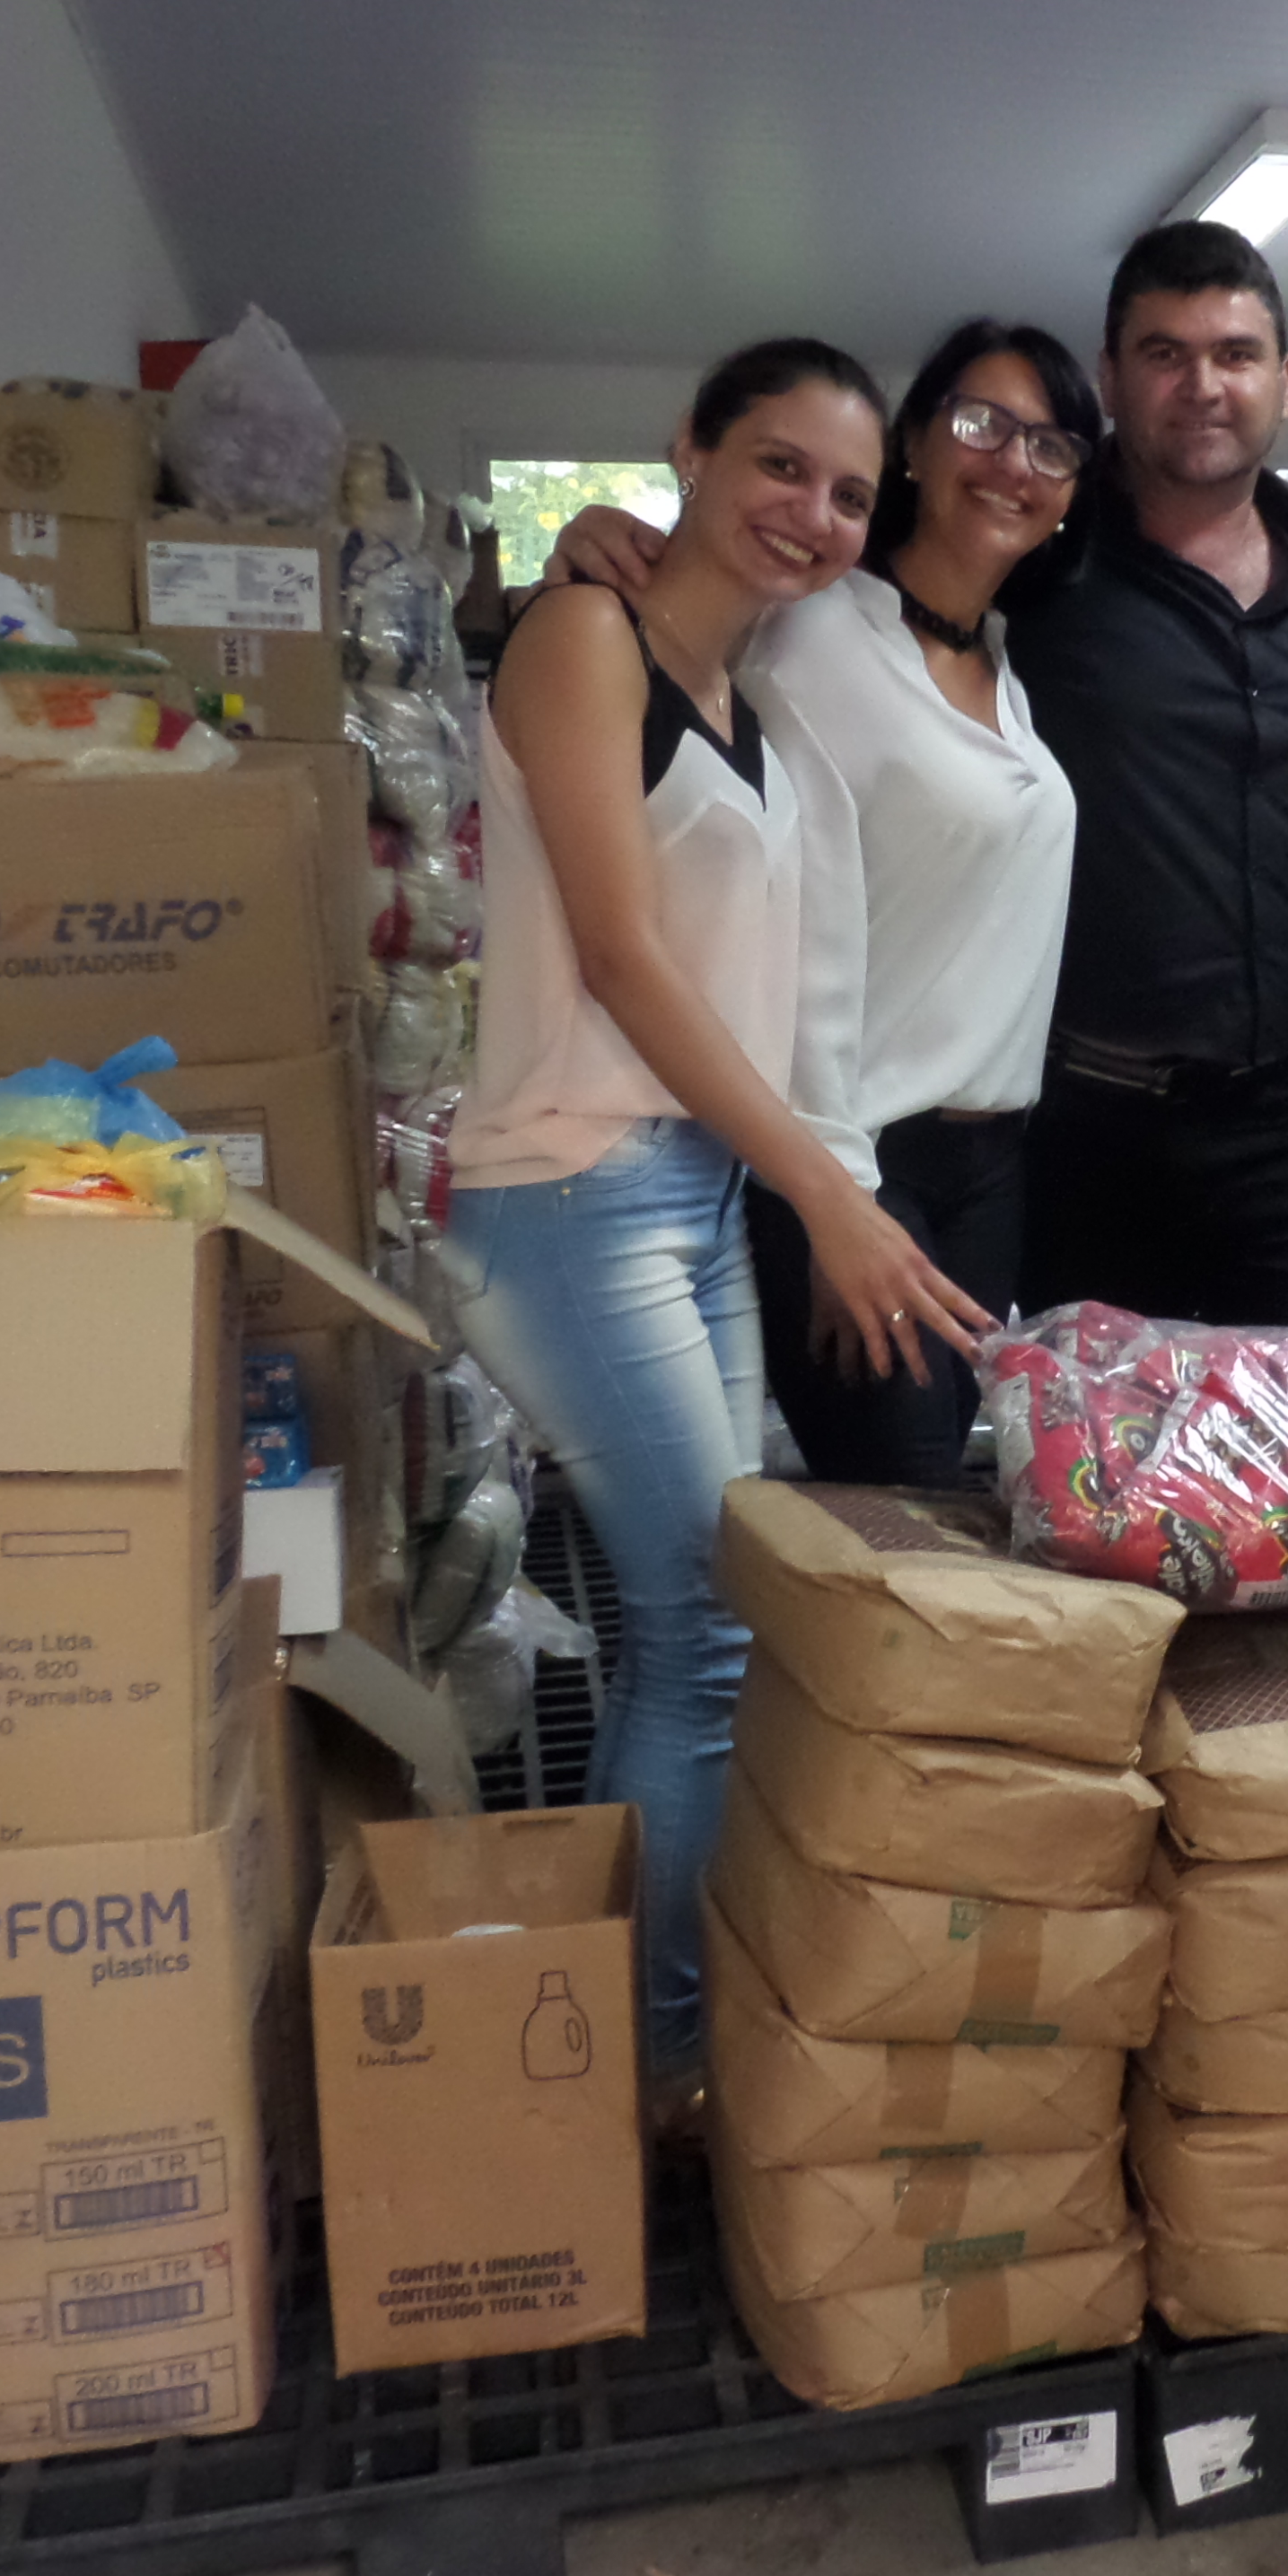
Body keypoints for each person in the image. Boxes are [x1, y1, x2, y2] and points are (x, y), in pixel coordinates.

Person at [556, 221, 1288, 1331]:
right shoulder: (1037, 553)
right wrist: (621, 547)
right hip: (1088, 1131)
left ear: (1284, 382)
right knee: (1102, 1467)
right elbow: (809, 565)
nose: (1203, 385)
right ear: (1114, 378)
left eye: (1235, 354)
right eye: (1165, 354)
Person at [438, 337, 986, 2089]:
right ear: (689, 446)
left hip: (685, 1191)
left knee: (703, 1623)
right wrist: (830, 1197)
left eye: (848, 495)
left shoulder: (743, 696)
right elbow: (619, 958)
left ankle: (638, 2015)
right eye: (779, 465)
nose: (812, 514)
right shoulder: (581, 639)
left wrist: (800, 1174)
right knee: (708, 1626)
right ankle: (652, 2067)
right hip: (564, 1191)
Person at [742, 320, 1100, 1485]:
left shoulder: (1000, 661)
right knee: (905, 1508)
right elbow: (791, 937)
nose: (1012, 463)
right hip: (859, 1158)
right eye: (981, 423)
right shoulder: (814, 637)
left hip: (988, 1169)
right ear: (913, 442)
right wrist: (837, 1200)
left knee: (941, 1494)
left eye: (1050, 446)